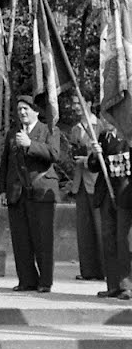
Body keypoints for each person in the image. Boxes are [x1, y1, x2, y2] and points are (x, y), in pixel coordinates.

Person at [1, 95, 60, 293]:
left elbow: (54, 154)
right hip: (17, 192)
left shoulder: (49, 130)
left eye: (26, 109)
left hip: (41, 191)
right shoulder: (12, 133)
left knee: (43, 238)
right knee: (21, 239)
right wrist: (3, 190)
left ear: (36, 111)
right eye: (19, 109)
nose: (22, 112)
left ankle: (44, 282)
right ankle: (26, 280)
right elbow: (6, 164)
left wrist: (30, 145)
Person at [87, 114, 132, 301]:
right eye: (104, 117)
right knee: (109, 240)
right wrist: (95, 154)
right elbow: (94, 167)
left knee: (124, 242)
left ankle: (126, 285)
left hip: (125, 195)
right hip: (106, 193)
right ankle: (112, 284)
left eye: (109, 116)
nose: (106, 121)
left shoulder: (128, 136)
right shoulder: (104, 137)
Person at [67, 117, 106, 281]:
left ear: (88, 103)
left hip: (95, 181)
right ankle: (88, 270)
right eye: (74, 102)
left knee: (100, 226)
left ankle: (105, 270)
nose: (76, 106)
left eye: (79, 102)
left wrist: (88, 160)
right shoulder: (75, 128)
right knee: (84, 228)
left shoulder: (101, 127)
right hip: (80, 182)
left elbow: (103, 152)